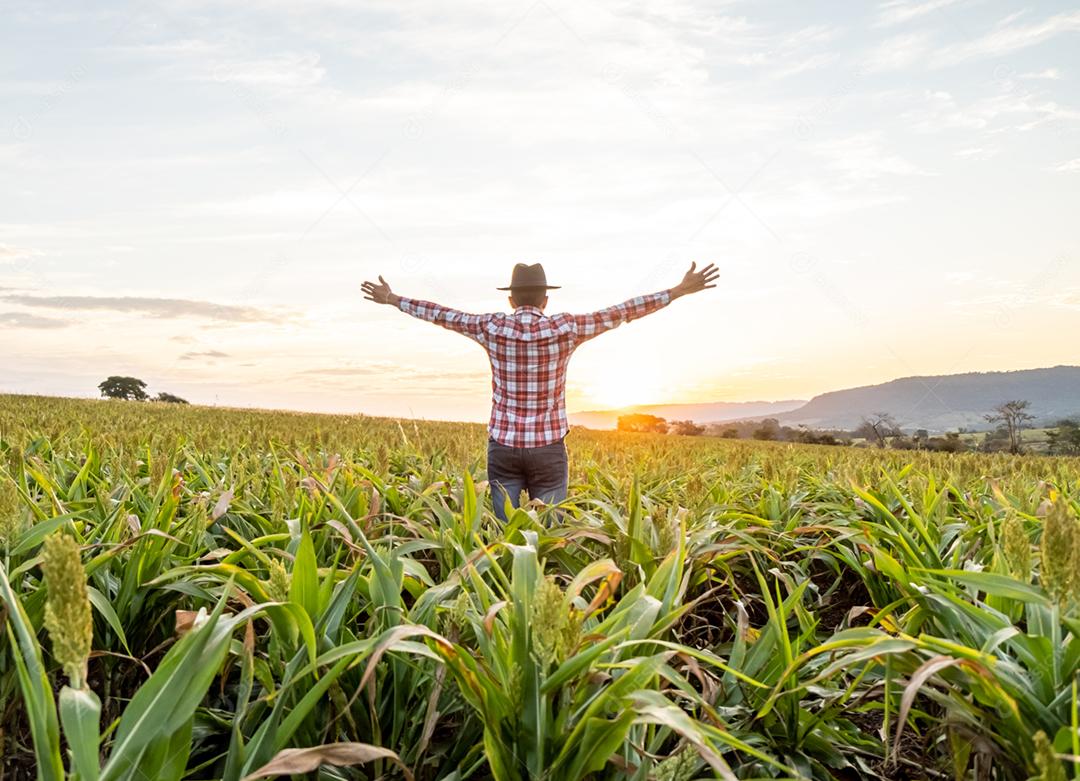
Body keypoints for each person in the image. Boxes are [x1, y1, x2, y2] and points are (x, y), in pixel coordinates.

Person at [362, 261, 719, 521]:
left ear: (512, 300)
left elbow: (442, 314)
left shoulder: (491, 327)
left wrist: (394, 299)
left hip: (503, 448)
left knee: (508, 537)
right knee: (547, 535)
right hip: (548, 449)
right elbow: (622, 312)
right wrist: (675, 291)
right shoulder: (567, 328)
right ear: (545, 300)